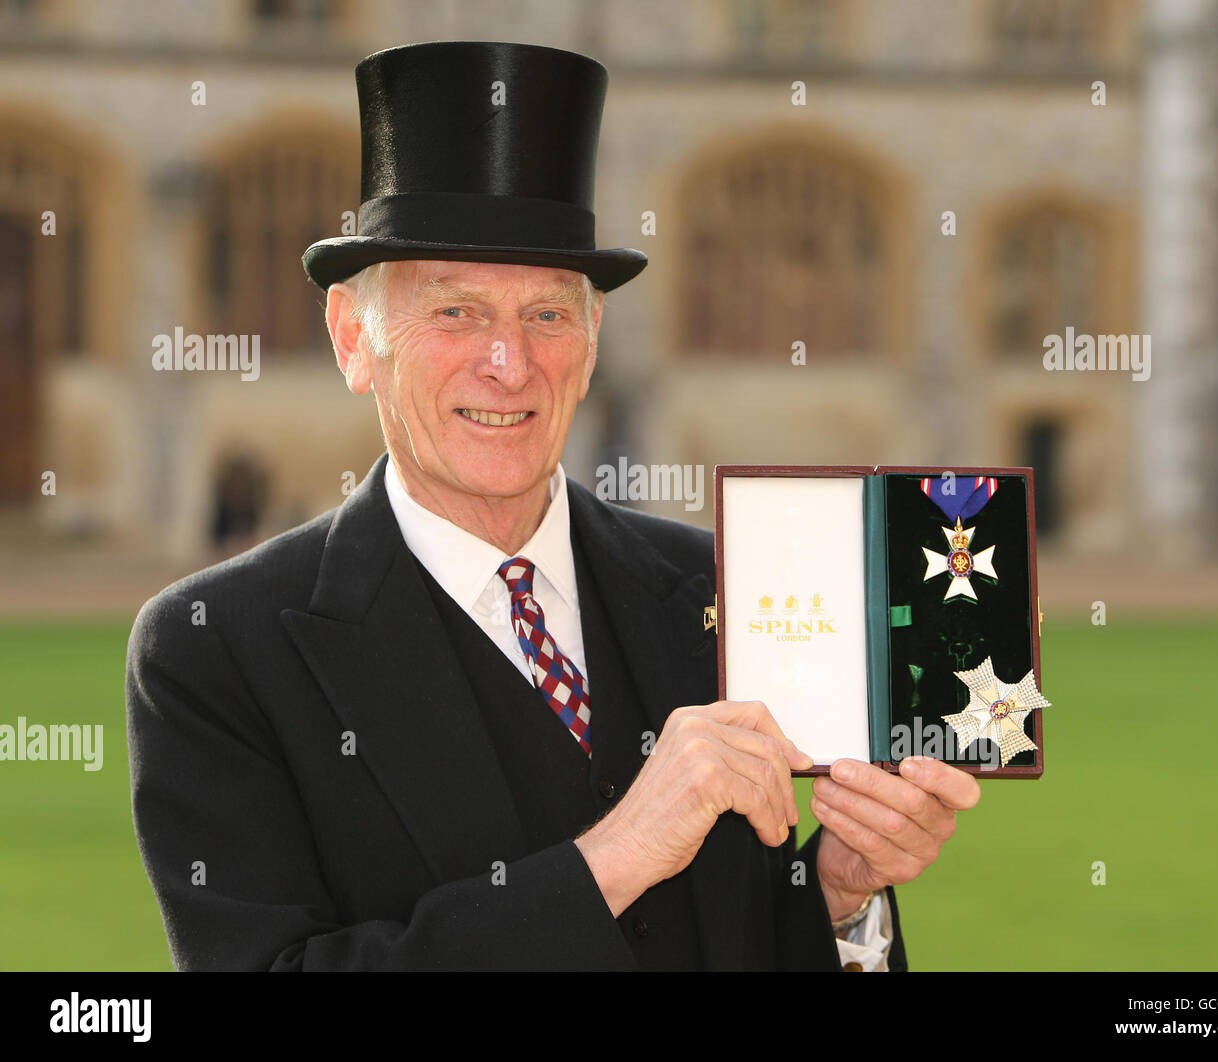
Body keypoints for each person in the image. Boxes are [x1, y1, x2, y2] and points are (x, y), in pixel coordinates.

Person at [125, 40, 979, 972]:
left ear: (594, 336)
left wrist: (843, 897)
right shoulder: (218, 648)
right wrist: (612, 859)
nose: (510, 363)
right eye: (455, 313)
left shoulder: (722, 594)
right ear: (352, 337)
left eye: (546, 315)